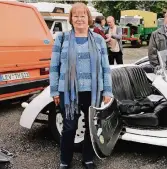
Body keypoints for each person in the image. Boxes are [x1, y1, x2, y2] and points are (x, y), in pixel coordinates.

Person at [49, 3, 113, 169]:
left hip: (93, 91)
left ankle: (88, 159)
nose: (79, 19)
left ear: (88, 18)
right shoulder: (61, 38)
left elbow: (106, 67)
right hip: (68, 92)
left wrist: (107, 90)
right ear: (71, 19)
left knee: (92, 127)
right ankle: (65, 160)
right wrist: (55, 90)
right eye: (75, 16)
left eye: (82, 15)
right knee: (69, 127)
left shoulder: (98, 39)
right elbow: (54, 66)